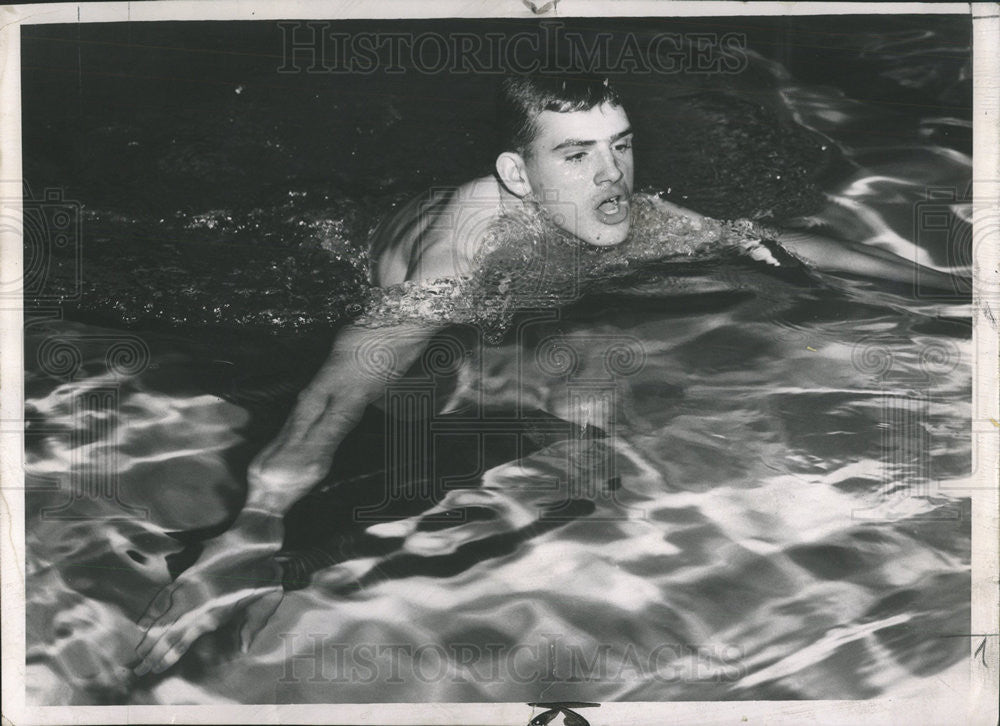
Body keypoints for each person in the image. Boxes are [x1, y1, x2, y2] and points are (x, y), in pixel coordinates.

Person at [134, 72, 960, 675]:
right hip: (326, 300)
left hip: (495, 305)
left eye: (621, 147)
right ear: (519, 177)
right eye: (578, 156)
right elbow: (329, 400)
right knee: (380, 462)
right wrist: (253, 529)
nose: (613, 178)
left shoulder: (619, 214)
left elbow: (767, 239)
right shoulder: (454, 260)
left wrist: (959, 293)